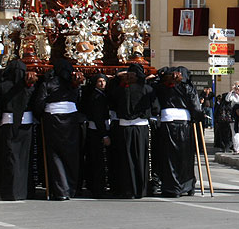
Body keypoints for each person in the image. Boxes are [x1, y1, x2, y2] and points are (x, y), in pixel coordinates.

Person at [34, 59, 83, 200]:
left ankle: (61, 190)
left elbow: (39, 104)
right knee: (72, 155)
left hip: (53, 120)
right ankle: (72, 189)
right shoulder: (73, 84)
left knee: (55, 155)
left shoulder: (48, 83)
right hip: (71, 120)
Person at [0, 59, 36, 201]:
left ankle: (10, 192)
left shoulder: (2, 86)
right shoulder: (30, 87)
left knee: (9, 158)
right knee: (23, 158)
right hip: (26, 125)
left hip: (8, 125)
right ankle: (24, 191)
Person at [106, 63, 154, 199]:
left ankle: (127, 189)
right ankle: (141, 189)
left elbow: (111, 102)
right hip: (141, 127)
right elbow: (155, 108)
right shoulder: (147, 89)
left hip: (125, 127)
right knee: (141, 158)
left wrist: (117, 79)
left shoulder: (120, 90)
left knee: (126, 159)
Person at [154, 66, 201, 198]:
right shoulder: (188, 87)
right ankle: (188, 185)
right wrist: (197, 118)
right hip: (184, 124)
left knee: (169, 156)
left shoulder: (162, 87)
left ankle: (171, 186)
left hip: (167, 123)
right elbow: (196, 106)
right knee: (186, 156)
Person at [79, 73, 110, 198]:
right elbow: (98, 117)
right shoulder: (96, 96)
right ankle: (98, 188)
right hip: (97, 131)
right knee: (98, 161)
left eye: (104, 81)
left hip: (97, 129)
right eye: (99, 81)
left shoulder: (100, 95)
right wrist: (104, 135)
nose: (102, 84)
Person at [227, 82, 239, 154]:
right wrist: (231, 91)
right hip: (234, 115)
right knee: (235, 132)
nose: (237, 88)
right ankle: (237, 148)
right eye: (236, 86)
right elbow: (227, 99)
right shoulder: (232, 95)